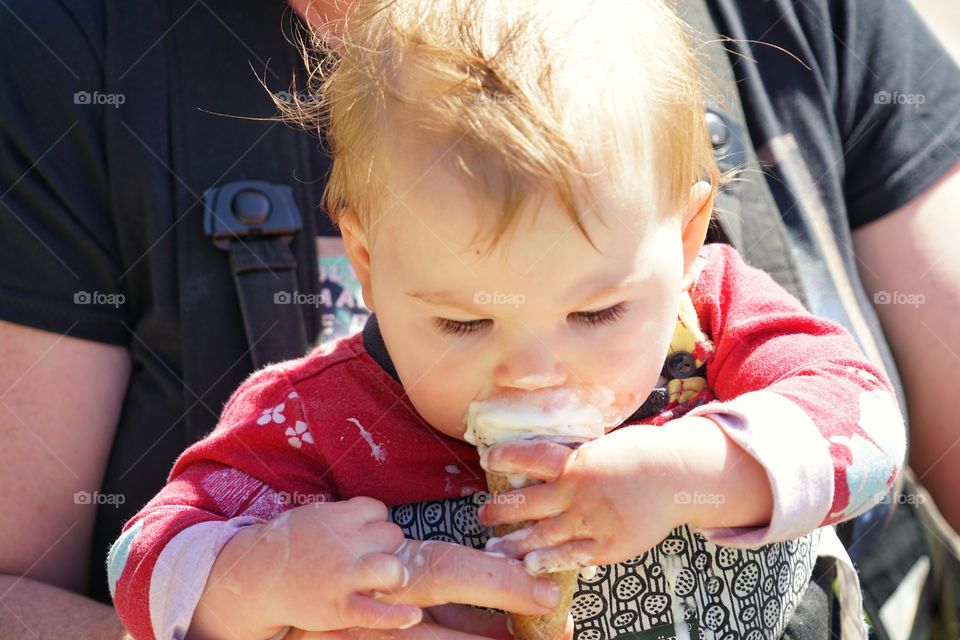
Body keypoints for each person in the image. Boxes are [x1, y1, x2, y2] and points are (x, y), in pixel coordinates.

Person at [1, 0, 958, 638]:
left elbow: (868, 425)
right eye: (461, 325)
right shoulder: (310, 414)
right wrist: (258, 575)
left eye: (598, 310)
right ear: (367, 265)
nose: (533, 372)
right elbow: (148, 553)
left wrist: (704, 473)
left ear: (687, 228)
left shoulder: (712, 311)